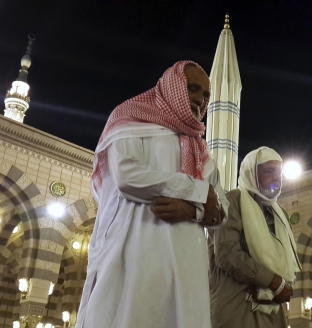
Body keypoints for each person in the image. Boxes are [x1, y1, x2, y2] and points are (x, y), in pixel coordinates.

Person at [76, 61, 228, 328]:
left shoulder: (199, 147)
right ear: (173, 85)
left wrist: (194, 210)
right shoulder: (130, 118)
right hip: (137, 250)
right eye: (193, 89)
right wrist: (197, 191)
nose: (200, 99)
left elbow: (221, 206)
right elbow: (127, 176)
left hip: (188, 265)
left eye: (206, 95)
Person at [208, 146, 302, 328]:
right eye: (269, 171)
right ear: (251, 173)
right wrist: (274, 282)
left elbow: (284, 258)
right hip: (237, 308)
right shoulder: (232, 201)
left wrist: (281, 286)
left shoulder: (279, 213)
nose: (277, 178)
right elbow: (227, 254)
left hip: (272, 310)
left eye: (280, 172)